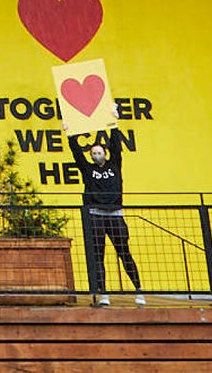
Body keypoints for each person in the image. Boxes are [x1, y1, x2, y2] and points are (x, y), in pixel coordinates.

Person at [70, 128, 143, 306]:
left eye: (99, 152)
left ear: (105, 153)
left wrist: (113, 125)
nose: (96, 155)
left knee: (124, 252)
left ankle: (139, 290)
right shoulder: (88, 169)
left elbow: (117, 147)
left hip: (115, 214)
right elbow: (77, 154)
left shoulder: (114, 164)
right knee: (97, 256)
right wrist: (71, 135)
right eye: (94, 153)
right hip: (95, 215)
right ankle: (103, 294)